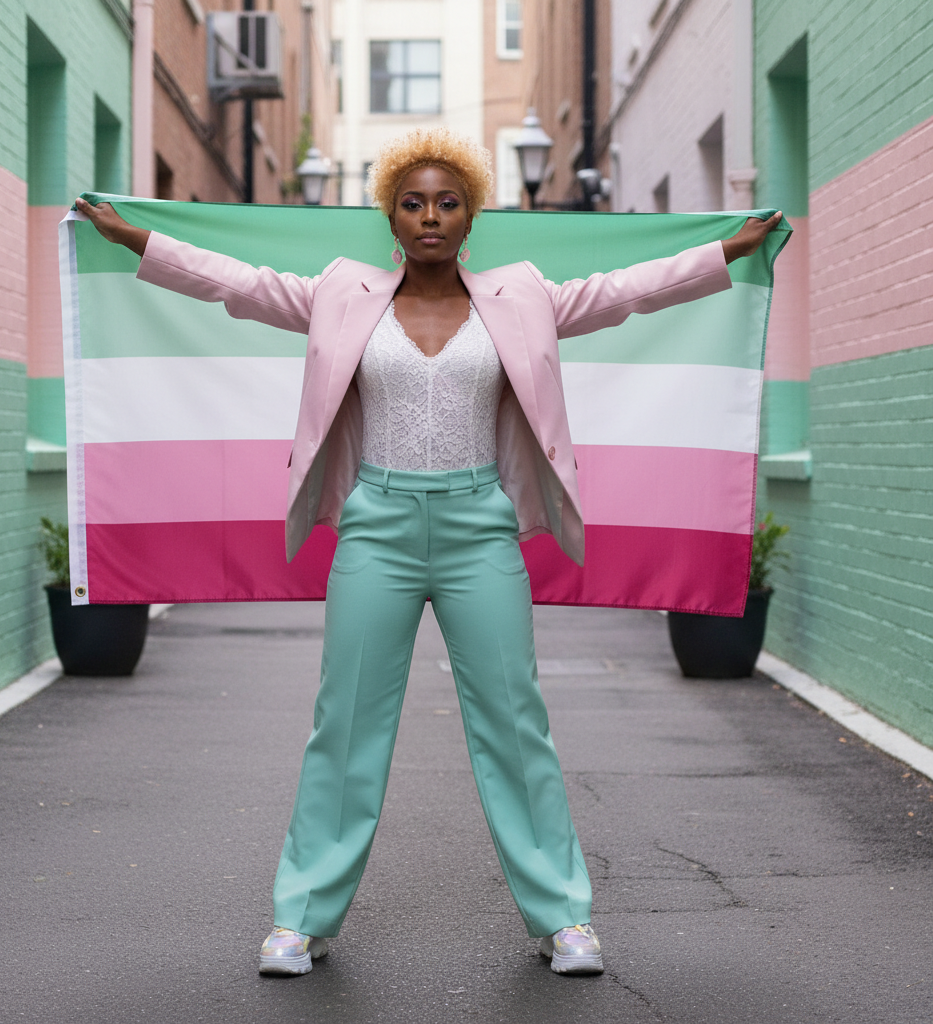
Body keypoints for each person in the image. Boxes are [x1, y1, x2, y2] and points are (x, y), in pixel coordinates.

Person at [77, 127, 781, 978]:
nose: (431, 217)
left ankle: (565, 918)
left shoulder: (519, 299)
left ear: (472, 214)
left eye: (448, 202)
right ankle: (299, 919)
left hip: (480, 527)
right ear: (392, 216)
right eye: (413, 203)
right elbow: (242, 285)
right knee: (344, 726)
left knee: (516, 722)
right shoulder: (343, 297)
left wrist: (724, 252)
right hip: (376, 525)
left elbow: (624, 291)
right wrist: (135, 240)